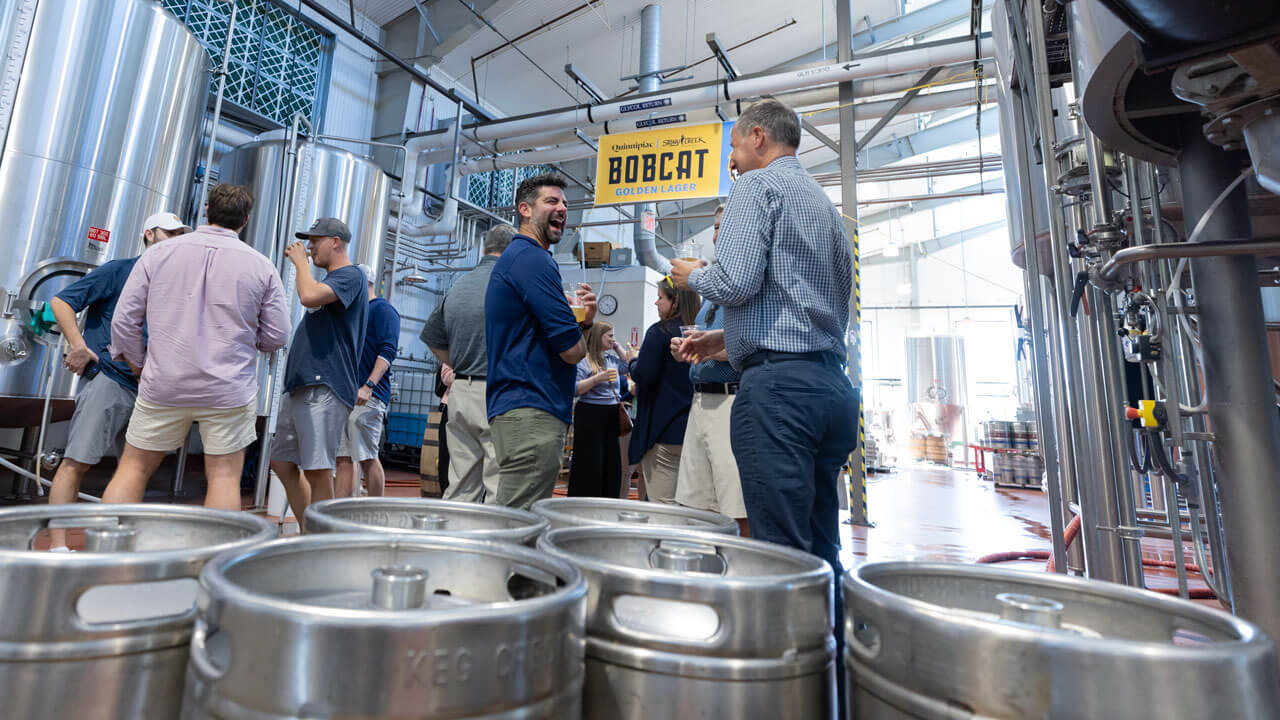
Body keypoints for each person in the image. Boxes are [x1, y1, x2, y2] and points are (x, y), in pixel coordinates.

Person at [670, 98, 856, 651]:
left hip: (778, 396)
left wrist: (694, 273)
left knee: (779, 551)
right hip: (828, 389)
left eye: (732, 145)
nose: (731, 159)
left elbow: (737, 281)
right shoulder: (823, 204)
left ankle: (786, 674)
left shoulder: (756, 186)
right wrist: (725, 340)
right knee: (821, 547)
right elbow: (809, 305)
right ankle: (834, 666)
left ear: (756, 137)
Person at [103, 186, 290, 509]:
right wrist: (247, 342)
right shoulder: (262, 266)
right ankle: (214, 559)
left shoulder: (158, 255)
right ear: (245, 219)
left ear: (206, 211)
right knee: (223, 478)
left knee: (133, 468)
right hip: (227, 389)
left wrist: (138, 365)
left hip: (164, 383)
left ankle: (108, 551)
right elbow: (277, 336)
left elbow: (123, 321)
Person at [45, 213, 190, 545]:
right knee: (76, 463)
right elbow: (61, 301)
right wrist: (78, 345)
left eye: (181, 235)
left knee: (135, 471)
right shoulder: (119, 270)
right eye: (170, 233)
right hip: (110, 382)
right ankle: (57, 547)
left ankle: (115, 546)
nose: (177, 240)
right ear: (149, 234)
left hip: (149, 390)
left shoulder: (177, 286)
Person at [485, 173, 597, 510]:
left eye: (564, 203)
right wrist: (581, 331)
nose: (562, 208)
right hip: (532, 411)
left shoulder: (522, 260)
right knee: (517, 529)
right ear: (525, 209)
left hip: (522, 410)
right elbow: (572, 351)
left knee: (516, 520)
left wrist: (584, 321)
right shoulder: (533, 260)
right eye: (551, 201)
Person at [269, 218, 369, 526]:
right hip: (302, 384)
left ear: (336, 241)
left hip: (323, 385)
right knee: (282, 462)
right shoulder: (330, 281)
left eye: (316, 240)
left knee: (317, 468)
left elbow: (308, 297)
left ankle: (320, 542)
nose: (309, 247)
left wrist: (301, 264)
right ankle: (310, 530)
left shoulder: (351, 276)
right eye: (307, 242)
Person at [422, 223, 517, 503]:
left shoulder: (458, 286)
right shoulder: (512, 284)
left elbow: (432, 337)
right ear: (513, 252)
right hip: (498, 392)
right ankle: (489, 546)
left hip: (461, 392)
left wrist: (461, 363)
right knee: (499, 485)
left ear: (484, 249)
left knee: (460, 484)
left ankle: (454, 544)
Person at [670, 205, 750, 536]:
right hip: (700, 402)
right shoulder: (710, 295)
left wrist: (716, 351)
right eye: (714, 228)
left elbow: (754, 345)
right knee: (693, 503)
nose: (716, 234)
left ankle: (739, 573)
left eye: (723, 227)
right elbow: (710, 346)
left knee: (735, 505)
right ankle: (702, 572)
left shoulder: (744, 286)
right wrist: (687, 352)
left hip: (731, 402)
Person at [624, 276, 698, 504]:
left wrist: (632, 361)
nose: (656, 303)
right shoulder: (699, 333)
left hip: (662, 429)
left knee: (663, 505)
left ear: (675, 301)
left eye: (660, 298)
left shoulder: (660, 332)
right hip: (694, 427)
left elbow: (644, 375)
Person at [335, 264, 400, 498]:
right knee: (343, 457)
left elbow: (387, 351)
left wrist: (369, 386)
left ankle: (375, 511)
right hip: (346, 395)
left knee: (367, 457)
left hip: (368, 397)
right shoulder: (354, 313)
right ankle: (339, 515)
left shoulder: (383, 310)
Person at [569, 322, 628, 497]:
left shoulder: (611, 359)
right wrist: (596, 379)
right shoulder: (584, 361)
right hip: (590, 414)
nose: (613, 339)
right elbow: (574, 389)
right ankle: (586, 498)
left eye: (613, 335)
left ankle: (608, 497)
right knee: (591, 461)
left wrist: (616, 346)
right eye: (609, 336)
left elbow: (629, 365)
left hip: (611, 414)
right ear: (597, 337)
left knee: (611, 461)